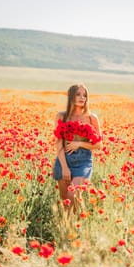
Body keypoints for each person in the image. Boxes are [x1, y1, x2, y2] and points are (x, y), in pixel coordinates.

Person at [53, 84, 102, 215]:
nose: (82, 98)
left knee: (72, 194)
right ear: (71, 97)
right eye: (78, 94)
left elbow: (99, 145)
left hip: (83, 161)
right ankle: (70, 228)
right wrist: (64, 167)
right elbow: (58, 144)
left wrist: (79, 144)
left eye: (85, 95)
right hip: (64, 160)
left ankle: (77, 225)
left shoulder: (92, 118)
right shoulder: (61, 116)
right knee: (66, 203)